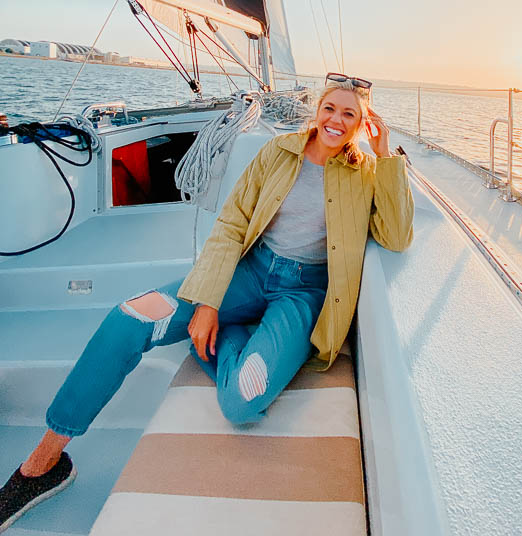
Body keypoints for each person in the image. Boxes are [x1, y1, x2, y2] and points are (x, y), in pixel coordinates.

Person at [0, 73, 414, 531]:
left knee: (242, 402)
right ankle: (41, 464)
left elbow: (396, 236)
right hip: (249, 272)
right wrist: (208, 303)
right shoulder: (276, 153)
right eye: (330, 108)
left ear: (362, 123)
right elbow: (232, 226)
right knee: (129, 319)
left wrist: (385, 154)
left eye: (349, 114)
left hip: (303, 293)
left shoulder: (367, 174)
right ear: (318, 109)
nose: (336, 119)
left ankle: (238, 333)